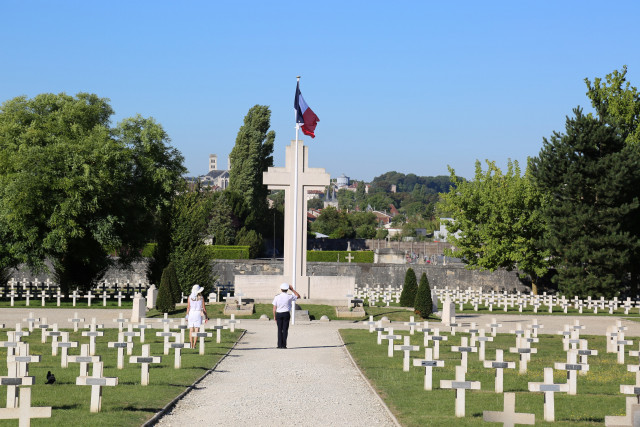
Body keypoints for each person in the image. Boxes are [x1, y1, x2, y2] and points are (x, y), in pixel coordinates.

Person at [272, 282, 300, 349]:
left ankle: (279, 345)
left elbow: (274, 308)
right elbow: (298, 296)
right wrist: (292, 289)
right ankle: (284, 345)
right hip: (286, 314)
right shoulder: (289, 296)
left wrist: (274, 316)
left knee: (279, 329)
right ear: (287, 289)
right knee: (285, 330)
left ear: (281, 289)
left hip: (279, 313)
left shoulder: (277, 297)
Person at [187, 284, 208, 348]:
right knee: (196, 329)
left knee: (191, 329)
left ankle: (191, 344)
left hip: (191, 313)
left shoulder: (190, 297)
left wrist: (186, 316)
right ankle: (194, 344)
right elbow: (204, 308)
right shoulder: (201, 298)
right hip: (198, 313)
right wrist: (206, 317)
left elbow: (188, 307)